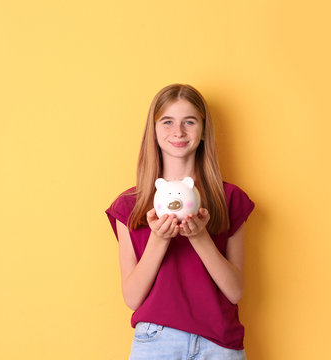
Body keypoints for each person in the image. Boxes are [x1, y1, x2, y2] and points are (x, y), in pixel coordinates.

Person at [105, 83, 255, 359]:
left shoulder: (229, 198)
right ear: (154, 130)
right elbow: (132, 298)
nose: (178, 132)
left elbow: (235, 291)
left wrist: (200, 237)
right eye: (168, 122)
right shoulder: (130, 206)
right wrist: (159, 239)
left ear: (203, 130)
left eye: (189, 121)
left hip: (219, 343)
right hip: (156, 342)